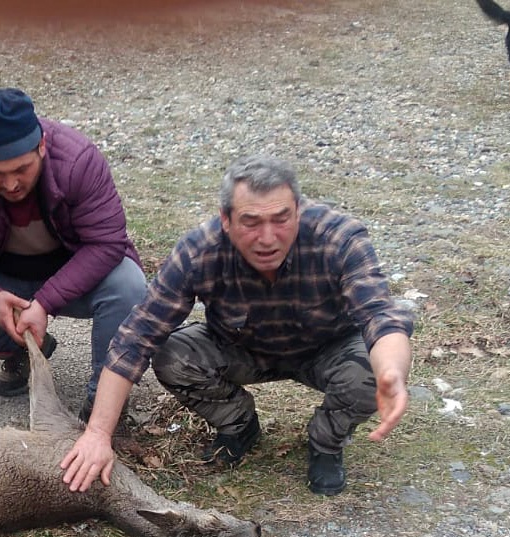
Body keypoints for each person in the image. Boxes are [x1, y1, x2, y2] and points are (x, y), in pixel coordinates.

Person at [60, 154, 414, 496]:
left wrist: (392, 374)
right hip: (243, 348)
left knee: (371, 369)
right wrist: (97, 434)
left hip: (326, 349)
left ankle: (326, 442)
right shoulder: (199, 252)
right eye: (251, 222)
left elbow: (380, 316)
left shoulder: (340, 238)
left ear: (298, 211)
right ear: (226, 219)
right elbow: (136, 339)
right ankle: (239, 425)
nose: (268, 237)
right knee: (172, 356)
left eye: (281, 218)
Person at [0, 86, 146, 416]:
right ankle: (19, 347)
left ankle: (105, 401)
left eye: (21, 169)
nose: (10, 184)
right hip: (3, 280)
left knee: (129, 285)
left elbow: (107, 243)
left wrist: (46, 302)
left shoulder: (79, 160)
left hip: (72, 275)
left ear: (41, 145)